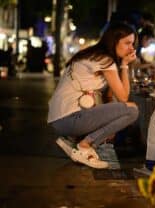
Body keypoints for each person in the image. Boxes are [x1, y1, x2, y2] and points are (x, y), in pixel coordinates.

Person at [47, 22, 139, 169]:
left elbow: (110, 96)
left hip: (60, 118)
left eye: (133, 43)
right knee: (132, 110)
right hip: (70, 118)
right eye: (127, 43)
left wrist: (110, 125)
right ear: (114, 41)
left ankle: (75, 140)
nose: (131, 48)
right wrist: (125, 65)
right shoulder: (105, 61)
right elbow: (123, 97)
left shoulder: (93, 55)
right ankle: (85, 145)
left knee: (121, 112)